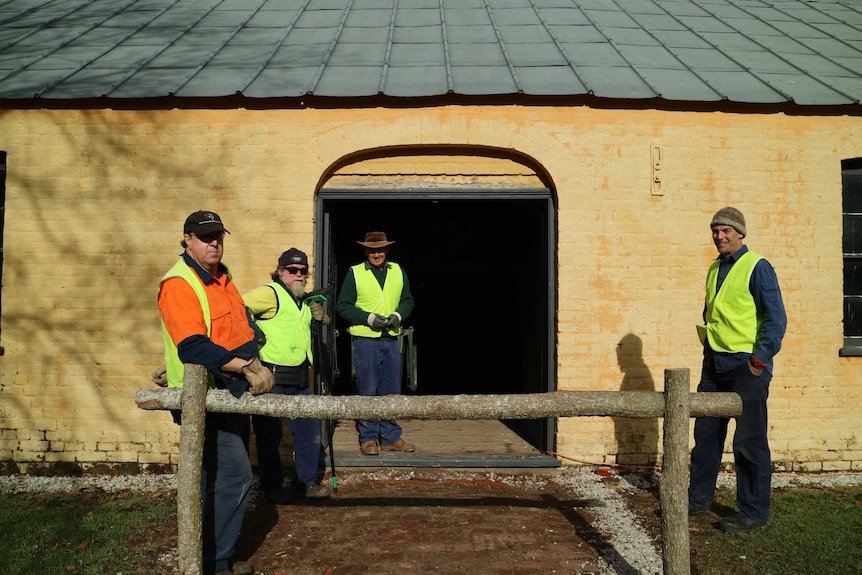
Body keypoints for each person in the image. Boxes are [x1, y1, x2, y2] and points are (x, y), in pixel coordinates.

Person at [158, 210, 274, 575]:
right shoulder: (179, 283)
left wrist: (256, 339)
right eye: (205, 237)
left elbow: (237, 323)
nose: (214, 243)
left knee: (213, 478)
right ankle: (214, 563)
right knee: (235, 475)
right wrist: (246, 367)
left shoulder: (221, 277)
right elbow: (192, 345)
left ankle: (209, 557)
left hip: (229, 392)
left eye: (218, 236)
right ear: (187, 240)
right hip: (203, 399)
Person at [688, 207, 787, 533]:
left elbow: (775, 319)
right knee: (705, 437)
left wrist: (759, 361)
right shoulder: (715, 268)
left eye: (726, 230)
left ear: (740, 233)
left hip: (747, 368)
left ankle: (753, 512)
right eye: (715, 231)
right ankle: (698, 500)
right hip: (714, 365)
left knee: (749, 442)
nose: (719, 236)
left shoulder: (757, 267)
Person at [244, 247, 332, 503]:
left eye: (302, 271)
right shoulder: (270, 293)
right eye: (292, 270)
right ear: (280, 272)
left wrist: (322, 318)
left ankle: (304, 484)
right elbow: (237, 306)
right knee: (269, 436)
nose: (298, 274)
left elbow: (303, 329)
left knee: (309, 432)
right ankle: (272, 488)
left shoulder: (302, 299)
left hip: (300, 378)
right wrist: (253, 336)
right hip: (271, 377)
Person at [337, 231, 416, 455]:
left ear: (387, 250)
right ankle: (369, 438)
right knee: (368, 388)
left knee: (391, 389)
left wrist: (399, 316)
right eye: (372, 250)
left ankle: (391, 436)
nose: (377, 253)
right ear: (365, 251)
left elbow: (408, 300)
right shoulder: (355, 272)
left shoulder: (398, 271)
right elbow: (343, 306)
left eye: (380, 249)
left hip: (391, 338)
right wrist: (368, 318)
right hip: (366, 339)